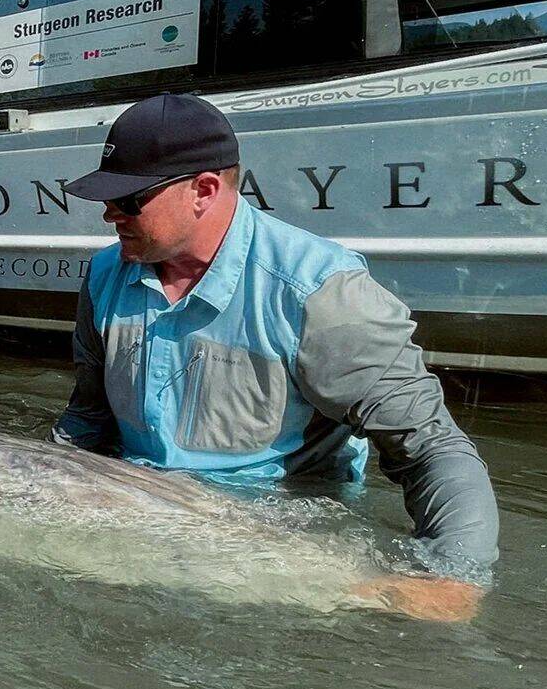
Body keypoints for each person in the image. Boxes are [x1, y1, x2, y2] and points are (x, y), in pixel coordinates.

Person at [54, 93, 499, 621]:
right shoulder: (105, 274)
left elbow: (432, 449)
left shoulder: (319, 293)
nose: (109, 214)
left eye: (128, 201)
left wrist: (453, 575)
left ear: (203, 190)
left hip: (273, 537)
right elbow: (87, 421)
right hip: (135, 512)